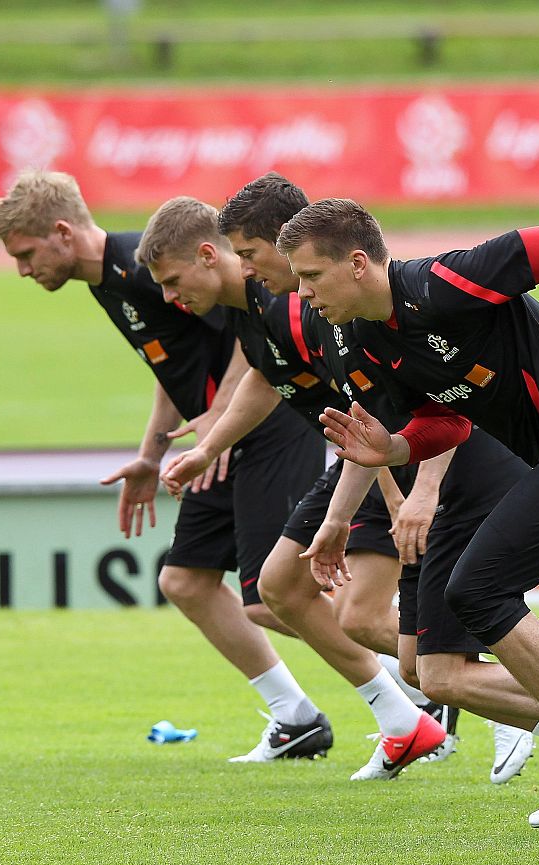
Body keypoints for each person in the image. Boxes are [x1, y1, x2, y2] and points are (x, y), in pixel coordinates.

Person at [276, 202, 539, 829]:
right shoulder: (344, 333)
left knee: (473, 599)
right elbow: (436, 422)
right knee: (432, 672)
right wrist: (388, 458)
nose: (299, 290)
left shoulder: (440, 283)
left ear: (358, 263)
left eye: (309, 274)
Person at [0, 171, 330, 760]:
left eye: (25, 253)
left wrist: (218, 422)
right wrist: (153, 452)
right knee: (186, 580)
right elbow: (171, 367)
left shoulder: (146, 268)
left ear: (62, 233)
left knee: (275, 596)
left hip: (265, 427)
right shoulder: (107, 281)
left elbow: (252, 321)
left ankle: (410, 670)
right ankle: (296, 717)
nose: (21, 269)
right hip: (214, 444)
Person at [138, 193, 453, 778]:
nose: (167, 298)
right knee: (281, 590)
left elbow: (364, 404)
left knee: (404, 641)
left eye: (174, 280)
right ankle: (409, 718)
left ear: (215, 256)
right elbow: (264, 377)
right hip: (370, 456)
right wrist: (207, 445)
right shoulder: (253, 309)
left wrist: (392, 496)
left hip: (401, 453)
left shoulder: (293, 308)